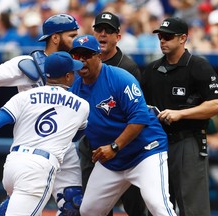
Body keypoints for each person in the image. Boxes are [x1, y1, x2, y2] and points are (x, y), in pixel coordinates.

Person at [0, 14, 84, 216]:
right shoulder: (28, 63)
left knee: (74, 206)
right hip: (33, 148)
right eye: (71, 35)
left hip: (62, 148)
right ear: (55, 38)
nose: (75, 40)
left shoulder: (75, 67)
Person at [69, 34, 177, 216]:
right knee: (88, 211)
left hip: (144, 152)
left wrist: (114, 146)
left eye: (86, 55)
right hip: (112, 161)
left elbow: (140, 118)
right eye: (77, 56)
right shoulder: (76, 87)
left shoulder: (119, 78)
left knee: (158, 206)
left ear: (98, 56)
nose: (81, 60)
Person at [140, 17, 218, 216]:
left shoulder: (198, 65)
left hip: (187, 140)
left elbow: (216, 104)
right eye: (160, 36)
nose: (162, 41)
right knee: (158, 205)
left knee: (193, 208)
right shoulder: (152, 70)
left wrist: (181, 113)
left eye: (168, 37)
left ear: (183, 38)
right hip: (157, 143)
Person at [78, 11, 146, 216]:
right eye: (99, 29)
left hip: (125, 149)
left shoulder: (127, 68)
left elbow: (136, 115)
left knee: (135, 207)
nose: (103, 35)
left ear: (118, 36)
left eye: (109, 31)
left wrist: (117, 146)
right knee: (94, 208)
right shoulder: (80, 64)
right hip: (93, 147)